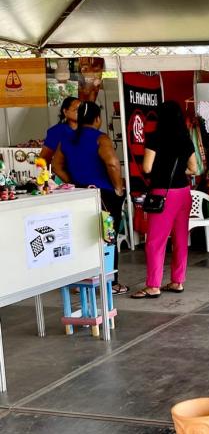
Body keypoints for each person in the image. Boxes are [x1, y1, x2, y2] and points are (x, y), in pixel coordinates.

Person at [53, 101, 129, 295]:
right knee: (107, 239)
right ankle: (110, 283)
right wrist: (118, 188)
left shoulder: (66, 139)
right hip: (103, 195)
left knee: (81, 238)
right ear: (97, 119)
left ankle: (81, 281)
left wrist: (76, 183)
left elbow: (57, 166)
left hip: (79, 195)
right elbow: (112, 164)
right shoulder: (100, 139)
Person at [131, 101, 197, 299]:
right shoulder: (185, 138)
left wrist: (164, 170)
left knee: (155, 241)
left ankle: (153, 285)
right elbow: (194, 169)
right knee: (180, 238)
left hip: (163, 193)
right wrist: (177, 172)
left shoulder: (156, 137)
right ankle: (177, 281)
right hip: (184, 192)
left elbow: (147, 168)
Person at [40, 96, 79, 165]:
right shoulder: (56, 132)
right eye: (76, 110)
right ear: (65, 111)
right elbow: (43, 159)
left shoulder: (88, 130)